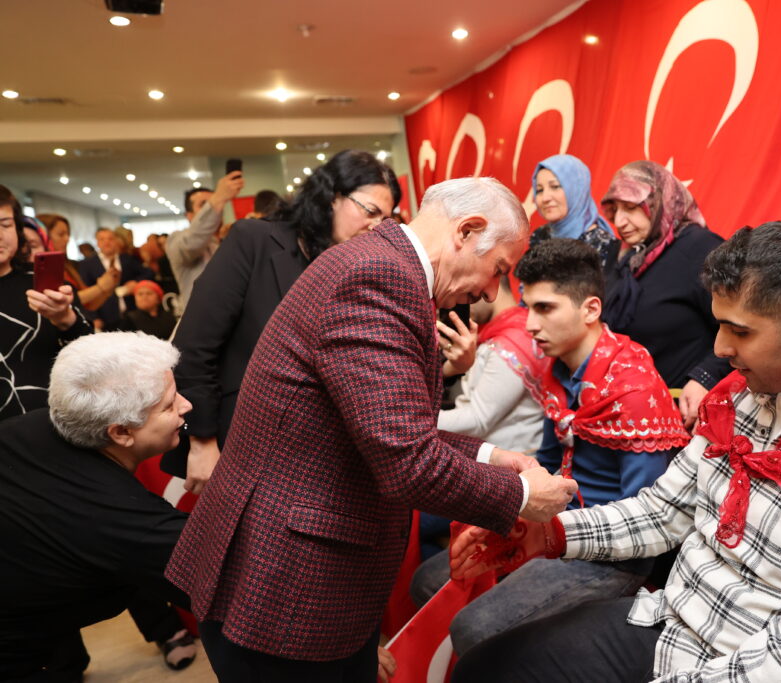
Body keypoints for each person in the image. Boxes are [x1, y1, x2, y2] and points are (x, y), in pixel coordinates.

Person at [450, 222, 781, 683]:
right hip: (672, 626)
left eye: (740, 331)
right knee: (484, 667)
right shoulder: (745, 396)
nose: (720, 348)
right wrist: (547, 533)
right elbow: (665, 511)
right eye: (719, 326)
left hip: (744, 660)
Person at [165, 176, 578, 681]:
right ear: (467, 231)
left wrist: (489, 457)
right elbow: (408, 462)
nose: (492, 290)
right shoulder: (378, 277)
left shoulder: (379, 263)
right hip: (283, 581)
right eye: (498, 269)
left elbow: (385, 424)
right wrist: (521, 496)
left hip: (294, 570)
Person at [414, 238, 687, 654]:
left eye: (545, 308)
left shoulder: (632, 390)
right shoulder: (557, 370)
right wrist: (518, 513)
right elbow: (544, 463)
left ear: (590, 310)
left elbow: (645, 515)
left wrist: (549, 530)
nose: (529, 325)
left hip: (611, 552)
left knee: (475, 627)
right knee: (428, 581)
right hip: (552, 523)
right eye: (528, 307)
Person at [166, 150, 402, 494]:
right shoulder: (255, 240)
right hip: (240, 442)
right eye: (370, 211)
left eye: (386, 219)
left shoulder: (352, 267)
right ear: (332, 197)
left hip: (316, 457)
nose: (376, 227)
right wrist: (202, 441)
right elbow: (194, 345)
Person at [0, 332, 194, 680]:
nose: (186, 405)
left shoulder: (34, 424)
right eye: (168, 405)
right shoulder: (124, 520)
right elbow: (238, 583)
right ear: (120, 433)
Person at [601, 161, 731, 428]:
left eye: (630, 208)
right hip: (628, 414)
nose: (619, 222)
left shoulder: (700, 249)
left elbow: (740, 328)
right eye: (615, 210)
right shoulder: (627, 256)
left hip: (686, 416)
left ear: (660, 201)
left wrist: (705, 377)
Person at [0, 185, 91, 422]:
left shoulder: (44, 284)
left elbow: (89, 354)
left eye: (6, 225)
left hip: (51, 422)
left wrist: (65, 319)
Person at [436, 274, 545, 452]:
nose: (460, 301)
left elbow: (477, 421)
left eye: (466, 293)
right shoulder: (501, 331)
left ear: (490, 283)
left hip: (512, 460)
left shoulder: (513, 341)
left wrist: (414, 418)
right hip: (495, 455)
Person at [165, 170, 245, 315]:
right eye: (204, 205)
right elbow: (192, 242)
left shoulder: (223, 240)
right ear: (189, 216)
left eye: (212, 204)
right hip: (199, 319)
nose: (213, 209)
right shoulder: (176, 240)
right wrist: (218, 198)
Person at [530, 154, 617, 267]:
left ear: (577, 189)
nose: (545, 198)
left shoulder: (603, 245)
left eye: (555, 187)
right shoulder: (540, 236)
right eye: (539, 190)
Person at [37, 213, 120, 311]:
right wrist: (100, 287)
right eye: (61, 234)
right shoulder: (42, 270)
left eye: (68, 234)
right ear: (44, 236)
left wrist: (107, 289)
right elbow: (64, 301)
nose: (67, 239)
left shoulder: (67, 266)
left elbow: (88, 305)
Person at [78, 226, 153, 329]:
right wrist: (94, 317)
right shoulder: (88, 264)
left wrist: (135, 283)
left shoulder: (127, 259)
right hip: (106, 317)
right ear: (97, 243)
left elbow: (148, 273)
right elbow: (85, 290)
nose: (107, 242)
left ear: (116, 241)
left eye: (110, 239)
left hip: (131, 314)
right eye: (102, 239)